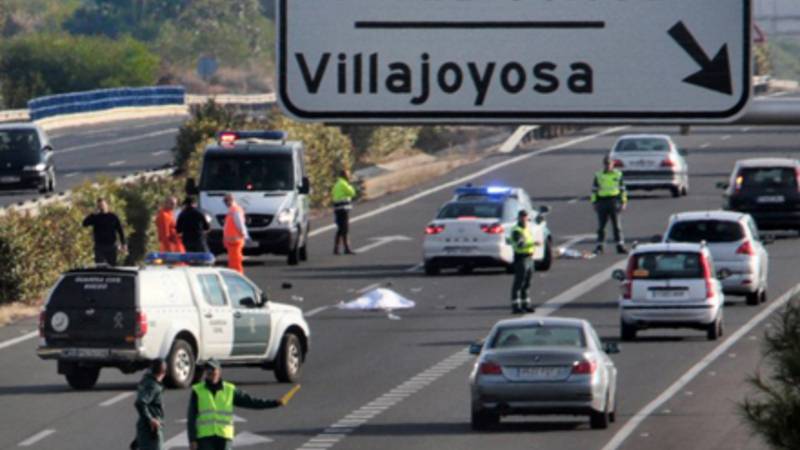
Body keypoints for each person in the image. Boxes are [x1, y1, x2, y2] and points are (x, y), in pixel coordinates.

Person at [187, 359, 294, 450]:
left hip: (224, 437)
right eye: (208, 369)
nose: (210, 372)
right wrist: (192, 439)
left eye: (213, 369)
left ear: (219, 371)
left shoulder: (230, 390)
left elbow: (251, 402)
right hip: (205, 438)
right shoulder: (198, 390)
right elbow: (191, 417)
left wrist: (275, 403)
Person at [591, 156, 628, 255]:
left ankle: (620, 246)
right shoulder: (599, 175)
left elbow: (622, 189)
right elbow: (594, 190)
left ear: (613, 164)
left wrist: (624, 202)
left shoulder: (618, 174)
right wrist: (594, 202)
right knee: (601, 226)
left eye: (609, 164)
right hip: (602, 201)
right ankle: (600, 246)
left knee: (616, 225)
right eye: (606, 164)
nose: (608, 166)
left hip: (614, 200)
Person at [131, 359, 167, 450]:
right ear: (163, 372)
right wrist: (151, 419)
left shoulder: (146, 381)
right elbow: (140, 402)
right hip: (151, 431)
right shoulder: (153, 386)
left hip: (146, 429)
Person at [82, 198, 126, 266]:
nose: (101, 207)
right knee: (100, 266)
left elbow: (120, 231)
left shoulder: (113, 217)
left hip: (111, 246)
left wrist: (123, 244)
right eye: (99, 206)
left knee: (112, 267)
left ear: (107, 205)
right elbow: (84, 224)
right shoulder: (96, 217)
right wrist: (92, 214)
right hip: (99, 246)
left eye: (102, 205)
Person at [510, 210, 538, 314]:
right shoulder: (517, 230)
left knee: (527, 282)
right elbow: (520, 244)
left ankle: (526, 304)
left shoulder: (526, 229)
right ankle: (516, 306)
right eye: (522, 216)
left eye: (525, 216)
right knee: (519, 282)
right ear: (519, 218)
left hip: (529, 257)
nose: (524, 218)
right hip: (521, 258)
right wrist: (533, 244)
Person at [331, 169, 356, 255]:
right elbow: (352, 193)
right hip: (344, 209)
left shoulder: (337, 184)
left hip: (337, 209)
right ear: (345, 176)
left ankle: (337, 248)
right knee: (345, 229)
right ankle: (346, 248)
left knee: (341, 228)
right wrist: (350, 185)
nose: (349, 176)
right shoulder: (344, 184)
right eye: (348, 175)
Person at [223, 193, 249, 274]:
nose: (225, 203)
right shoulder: (232, 210)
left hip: (236, 241)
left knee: (236, 261)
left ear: (231, 200)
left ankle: (238, 275)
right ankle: (235, 275)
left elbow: (240, 224)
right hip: (232, 241)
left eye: (226, 200)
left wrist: (244, 235)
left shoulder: (235, 210)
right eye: (224, 201)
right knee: (233, 261)